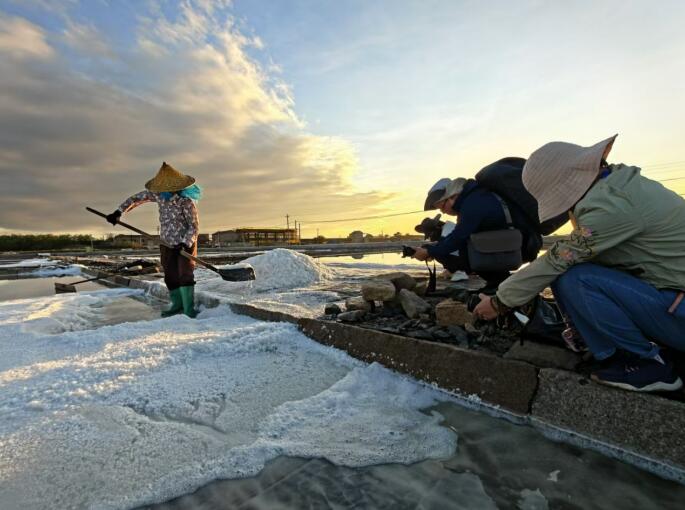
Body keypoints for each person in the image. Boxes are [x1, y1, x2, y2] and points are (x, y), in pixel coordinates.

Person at [473, 135, 685, 392]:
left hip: (679, 310)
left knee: (574, 277)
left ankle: (649, 364)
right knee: (576, 272)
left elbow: (557, 259)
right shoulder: (618, 185)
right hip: (672, 299)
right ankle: (607, 352)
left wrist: (500, 302)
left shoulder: (612, 207)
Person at [413, 169, 542, 290]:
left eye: (442, 207)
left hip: (523, 244)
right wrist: (433, 251)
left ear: (451, 196)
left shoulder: (472, 204)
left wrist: (429, 251)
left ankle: (503, 287)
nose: (443, 212)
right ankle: (500, 285)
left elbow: (457, 238)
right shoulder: (475, 197)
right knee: (470, 247)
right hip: (515, 242)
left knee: (469, 252)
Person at [105, 162, 201, 318]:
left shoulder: (186, 203)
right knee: (170, 275)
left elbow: (194, 227)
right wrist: (118, 212)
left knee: (185, 274)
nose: (166, 191)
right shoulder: (159, 196)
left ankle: (188, 309)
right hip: (166, 243)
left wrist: (185, 243)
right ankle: (177, 305)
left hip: (185, 244)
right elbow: (136, 198)